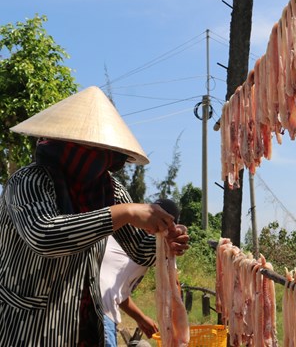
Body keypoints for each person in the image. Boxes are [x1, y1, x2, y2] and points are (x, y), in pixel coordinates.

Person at [0, 86, 190, 346]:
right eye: (90, 150)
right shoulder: (29, 181)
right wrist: (125, 211)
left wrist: (164, 242)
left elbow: (139, 249)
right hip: (28, 327)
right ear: (66, 144)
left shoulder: (106, 187)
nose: (99, 163)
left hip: (81, 323)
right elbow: (45, 236)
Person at [100, 199, 182, 347]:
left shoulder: (126, 236)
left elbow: (117, 293)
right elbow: (175, 288)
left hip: (93, 307)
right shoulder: (150, 242)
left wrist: (141, 318)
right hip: (100, 312)